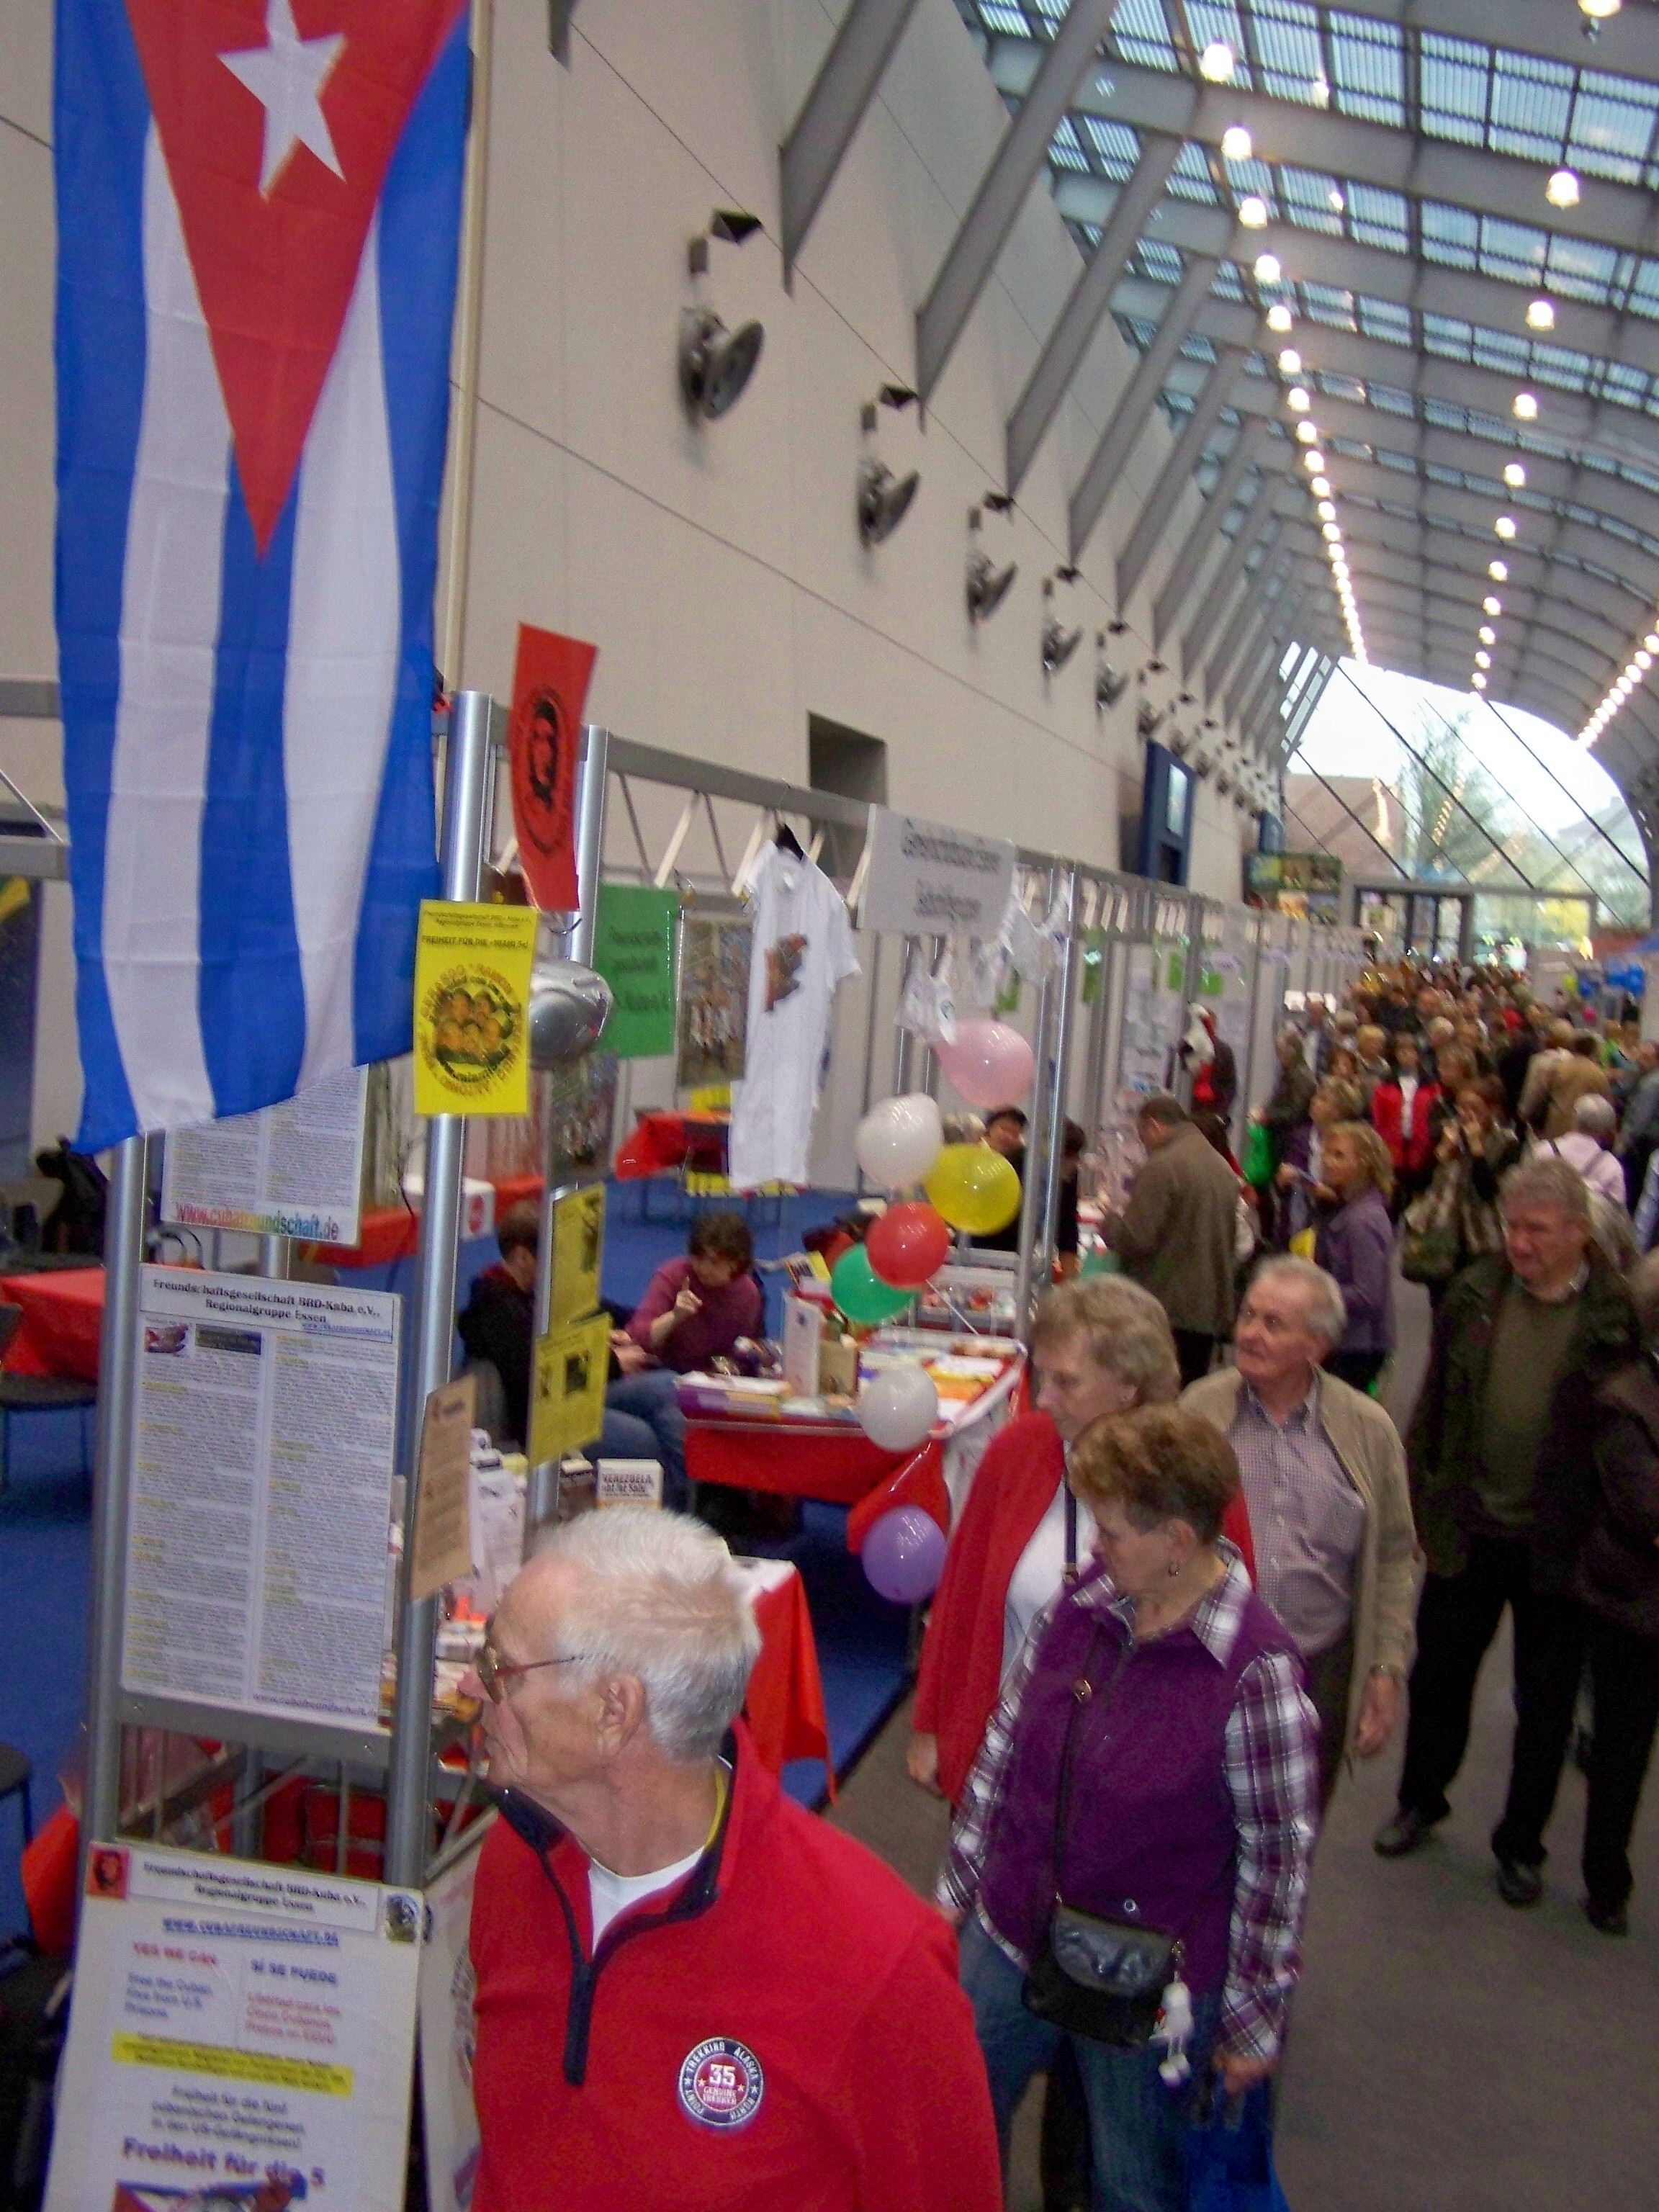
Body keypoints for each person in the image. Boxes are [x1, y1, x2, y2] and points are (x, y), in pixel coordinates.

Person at [464, 1511, 1000, 2211]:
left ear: (612, 1710)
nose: (474, 1689)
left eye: (500, 1668)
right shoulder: (515, 1859)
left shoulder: (878, 1964)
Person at [940, 1406, 1318, 2212]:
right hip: (1012, 1928)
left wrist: (1254, 2019)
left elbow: (1277, 1864)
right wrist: (954, 1898)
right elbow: (1004, 1755)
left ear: (1178, 1542)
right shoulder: (1084, 1603)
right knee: (953, 2116)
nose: (1094, 1549)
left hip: (1151, 1982)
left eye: (1113, 1532)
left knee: (1133, 2180)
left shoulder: (1255, 1673)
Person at [1375, 1158, 1639, 1906]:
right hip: (1469, 1528)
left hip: (1559, 1544)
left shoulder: (1615, 1321)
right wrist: (1421, 1501)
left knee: (1545, 1704)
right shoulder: (1475, 1291)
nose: (1519, 1243)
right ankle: (1421, 1799)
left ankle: (1521, 1844)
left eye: (1538, 1231)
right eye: (1513, 1228)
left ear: (1581, 1237)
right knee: (1439, 1678)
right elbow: (1436, 1406)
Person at [908, 1276, 1254, 1807]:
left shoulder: (1197, 1481)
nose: (1043, 1399)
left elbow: (1235, 1642)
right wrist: (931, 1724)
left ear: (1130, 1387)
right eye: (1040, 1376)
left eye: (1066, 1382)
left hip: (1140, 1784)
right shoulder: (1018, 1452)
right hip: (1009, 1760)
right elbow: (960, 1595)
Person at [1183, 1257, 1421, 1807]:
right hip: (1208, 1661)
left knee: (1295, 1825)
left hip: (1317, 1669)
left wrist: (1384, 1668)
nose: (1249, 1333)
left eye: (1273, 1324)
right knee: (1194, 1826)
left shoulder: (1368, 1431)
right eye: (1247, 1315)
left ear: (1316, 1346)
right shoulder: (1199, 1410)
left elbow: (1391, 1559)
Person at [1575, 1251, 1659, 1933]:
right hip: (1634, 1604)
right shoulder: (1626, 1396)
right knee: (1622, 1751)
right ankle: (1607, 1879)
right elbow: (1646, 1510)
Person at [459, 1201, 660, 1464]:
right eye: (553, 1255)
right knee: (644, 1440)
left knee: (665, 1391)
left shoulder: (533, 1293)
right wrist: (612, 1363)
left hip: (572, 1394)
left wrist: (643, 1325)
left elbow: (603, 1312)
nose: (559, 1264)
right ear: (522, 1257)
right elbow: (540, 1375)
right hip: (543, 1420)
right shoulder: (497, 1311)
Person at [610, 1213, 765, 1507]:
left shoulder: (748, 1295)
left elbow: (739, 1350)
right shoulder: (674, 1275)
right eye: (700, 1258)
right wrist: (675, 1317)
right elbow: (638, 1336)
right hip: (653, 1372)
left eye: (716, 1262)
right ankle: (686, 1498)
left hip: (705, 1379)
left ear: (736, 1263)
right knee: (674, 1401)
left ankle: (714, 1497)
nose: (704, 1269)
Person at [1102, 1094, 1242, 1387]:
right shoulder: (1221, 1167)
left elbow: (1136, 1237)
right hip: (1208, 1306)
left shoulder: (1163, 1166)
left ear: (1153, 1127)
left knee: (1157, 1395)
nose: (1144, 1146)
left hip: (1166, 1305)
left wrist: (1110, 1221)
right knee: (1191, 1393)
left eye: (1142, 1138)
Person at [1313, 1121, 1395, 1394]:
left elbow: (1368, 1295)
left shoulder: (1361, 1221)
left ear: (1364, 1164)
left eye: (1339, 1156)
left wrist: (1315, 1293)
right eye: (1327, 1154)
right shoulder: (1350, 1208)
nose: (1327, 1162)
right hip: (1350, 1340)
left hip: (1358, 1346)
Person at [1369, 1032, 1439, 1212]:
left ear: (1418, 1054)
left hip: (1421, 1148)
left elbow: (1434, 1114)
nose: (1407, 1056)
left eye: (1411, 1051)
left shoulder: (1430, 1085)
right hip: (1392, 1147)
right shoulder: (1385, 1085)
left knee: (1417, 1198)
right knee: (1392, 1198)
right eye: (1402, 1051)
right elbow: (1378, 1117)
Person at [1540, 1093, 1629, 1210]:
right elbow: (1616, 1212)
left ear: (1574, 1119)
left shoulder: (1544, 1150)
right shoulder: (1612, 1167)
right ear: (1606, 1130)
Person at [1540, 1030, 1612, 1141]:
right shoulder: (1598, 1075)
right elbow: (1606, 1104)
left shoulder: (1559, 1067)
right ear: (1594, 1051)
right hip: (1582, 1129)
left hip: (1555, 1125)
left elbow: (1545, 1090)